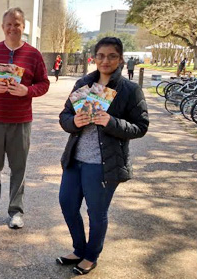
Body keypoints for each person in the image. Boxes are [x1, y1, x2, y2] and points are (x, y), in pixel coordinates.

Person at [57, 37, 149, 275]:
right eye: (101, 56)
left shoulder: (130, 89)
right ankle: (79, 249)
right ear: (94, 57)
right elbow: (64, 116)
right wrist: (73, 122)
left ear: (120, 59)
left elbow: (141, 127)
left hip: (103, 164)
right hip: (75, 159)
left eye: (111, 56)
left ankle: (91, 255)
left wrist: (112, 122)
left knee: (96, 213)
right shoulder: (83, 83)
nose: (105, 61)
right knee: (67, 204)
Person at [0, 7, 50, 229]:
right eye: (9, 24)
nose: (13, 28)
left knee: (18, 169)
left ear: (23, 27)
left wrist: (28, 91)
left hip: (21, 121)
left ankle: (16, 211)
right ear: (2, 27)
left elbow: (44, 83)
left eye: (17, 24)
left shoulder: (33, 54)